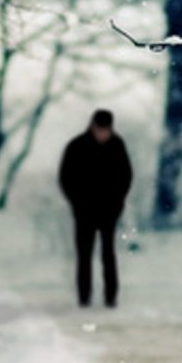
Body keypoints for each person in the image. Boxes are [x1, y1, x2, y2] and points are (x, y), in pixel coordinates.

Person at [57, 109, 134, 307]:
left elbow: (126, 176)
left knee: (108, 253)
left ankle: (111, 297)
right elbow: (66, 177)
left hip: (109, 210)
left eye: (106, 130)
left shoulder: (117, 146)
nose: (103, 134)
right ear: (93, 126)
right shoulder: (76, 146)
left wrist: (118, 202)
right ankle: (84, 296)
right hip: (83, 211)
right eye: (100, 129)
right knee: (84, 254)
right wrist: (76, 201)